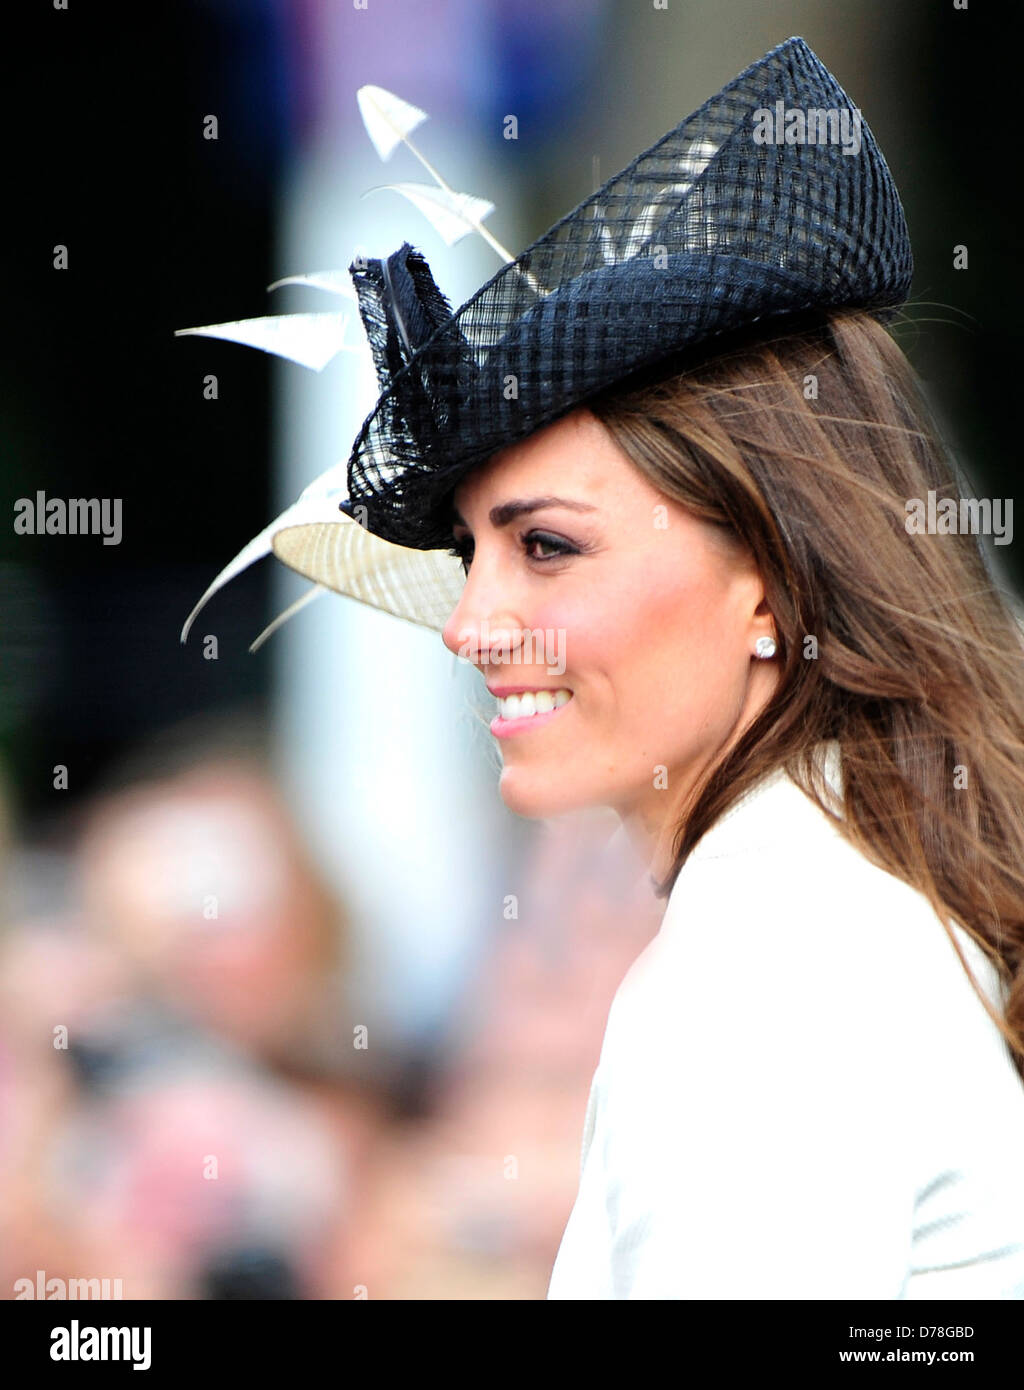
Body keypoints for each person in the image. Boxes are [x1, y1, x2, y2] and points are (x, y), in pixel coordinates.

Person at [183, 37, 1024, 1297]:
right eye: (473, 550)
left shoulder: (757, 974)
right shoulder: (865, 883)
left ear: (771, 580)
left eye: (546, 546)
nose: (468, 624)